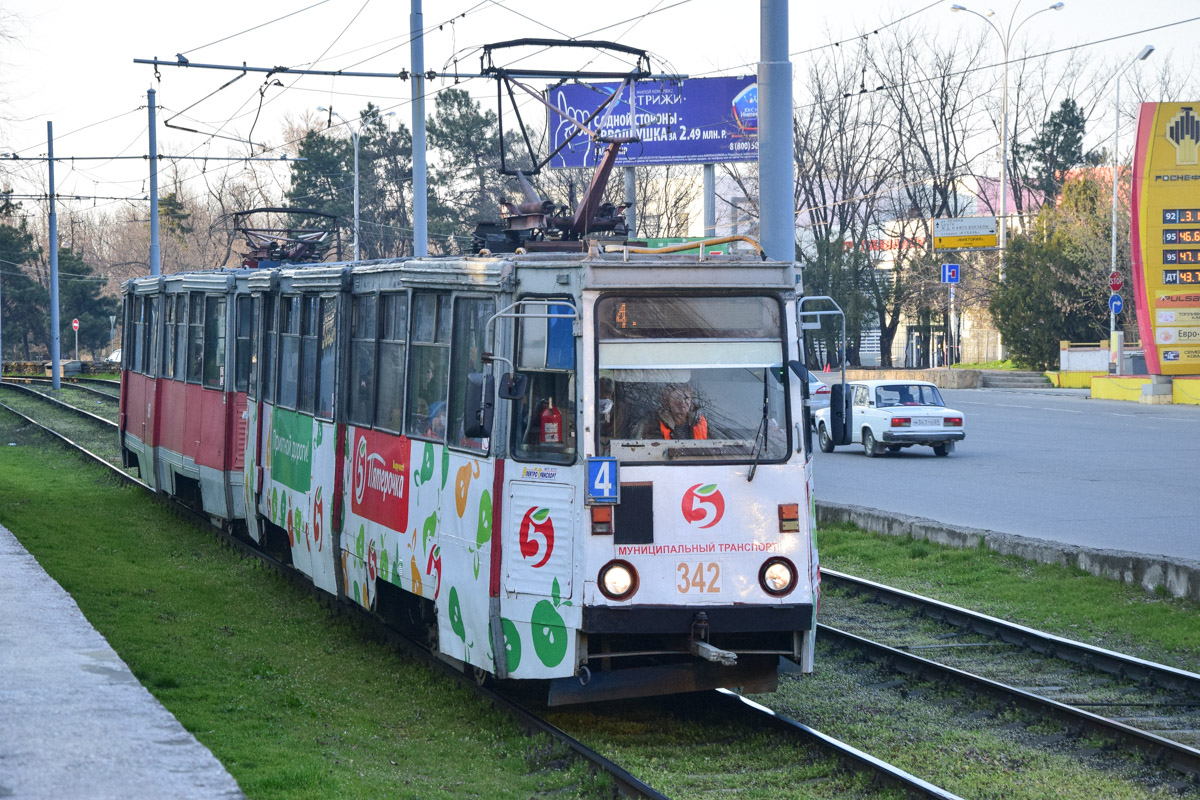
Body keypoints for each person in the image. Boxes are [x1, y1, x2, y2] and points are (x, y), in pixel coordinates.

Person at [636, 383, 708, 440]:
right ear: (667, 402)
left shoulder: (700, 422)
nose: (682, 402)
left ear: (691, 401)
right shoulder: (652, 424)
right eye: (678, 398)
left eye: (686, 398)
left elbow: (714, 450)